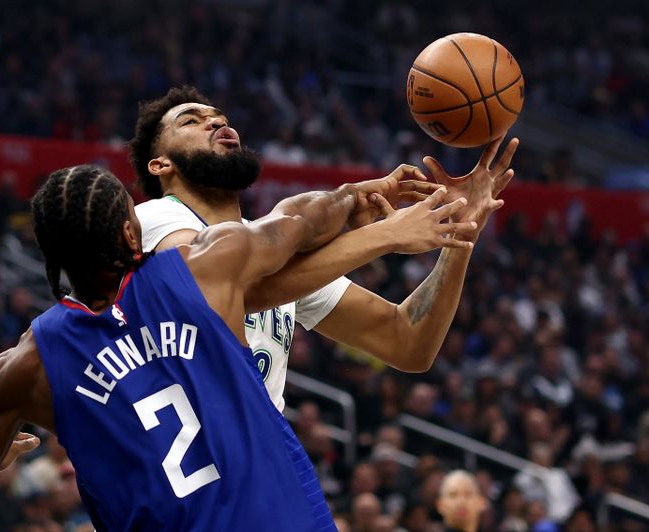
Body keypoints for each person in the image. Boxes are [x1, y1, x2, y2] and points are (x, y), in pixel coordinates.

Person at [0, 164, 476, 531]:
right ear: (129, 233)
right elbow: (300, 219)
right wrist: (365, 200)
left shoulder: (24, 368)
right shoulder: (206, 267)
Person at [129, 86, 518, 411]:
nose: (216, 121)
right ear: (160, 165)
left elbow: (407, 341)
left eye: (218, 116)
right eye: (191, 122)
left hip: (258, 469)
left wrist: (460, 234)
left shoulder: (279, 261)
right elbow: (225, 286)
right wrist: (383, 236)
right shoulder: (155, 219)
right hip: (188, 473)